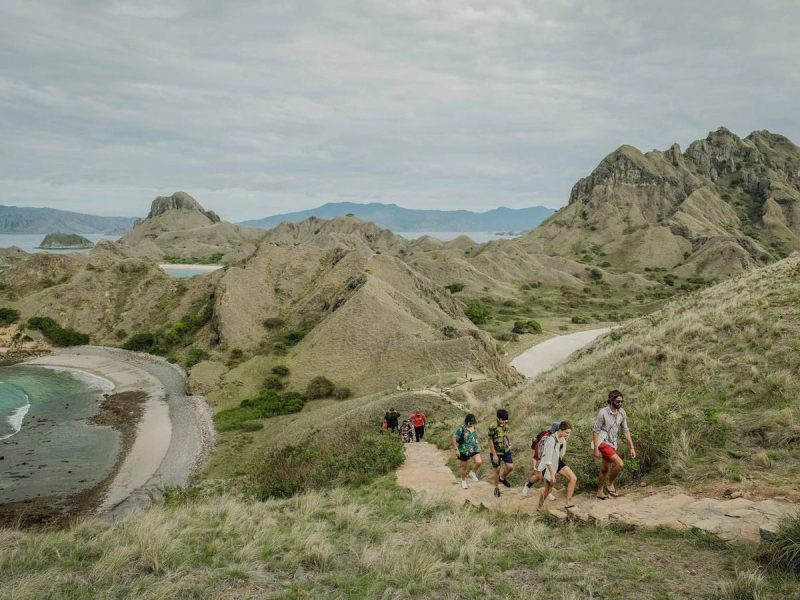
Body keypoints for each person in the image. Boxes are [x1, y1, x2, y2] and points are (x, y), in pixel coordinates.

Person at [593, 389, 636, 500]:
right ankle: (610, 484)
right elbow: (596, 431)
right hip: (602, 442)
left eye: (622, 401)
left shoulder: (622, 413)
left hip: (613, 443)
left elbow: (625, 430)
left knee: (605, 469)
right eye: (617, 401)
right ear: (611, 400)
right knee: (619, 464)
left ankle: (599, 492)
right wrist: (596, 449)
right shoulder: (602, 413)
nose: (620, 404)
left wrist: (631, 447)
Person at [536, 421, 578, 510]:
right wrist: (552, 474)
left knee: (573, 478)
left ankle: (568, 502)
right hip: (547, 465)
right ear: (560, 430)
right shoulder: (551, 440)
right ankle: (539, 507)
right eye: (567, 432)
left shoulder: (564, 438)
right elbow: (547, 460)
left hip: (556, 461)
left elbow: (559, 454)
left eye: (569, 433)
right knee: (548, 489)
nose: (568, 435)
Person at [522, 422, 559, 501]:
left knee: (550, 476)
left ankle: (548, 492)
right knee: (538, 476)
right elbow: (535, 442)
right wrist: (537, 458)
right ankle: (527, 486)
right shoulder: (546, 435)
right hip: (539, 457)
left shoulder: (553, 436)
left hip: (548, 459)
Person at [452, 413, 482, 489]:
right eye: (470, 423)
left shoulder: (474, 427)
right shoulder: (461, 429)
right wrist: (456, 450)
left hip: (474, 448)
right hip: (464, 449)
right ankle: (463, 481)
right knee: (464, 467)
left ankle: (472, 473)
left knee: (479, 461)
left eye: (473, 423)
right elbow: (454, 438)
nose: (471, 424)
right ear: (466, 421)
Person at [487, 408, 513, 497]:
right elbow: (490, 440)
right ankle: (496, 488)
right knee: (497, 470)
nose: (505, 421)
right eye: (504, 420)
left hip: (505, 449)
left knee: (510, 467)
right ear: (499, 419)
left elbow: (506, 433)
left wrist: (509, 442)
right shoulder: (492, 426)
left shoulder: (505, 424)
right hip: (496, 451)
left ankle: (502, 478)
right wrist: (494, 454)